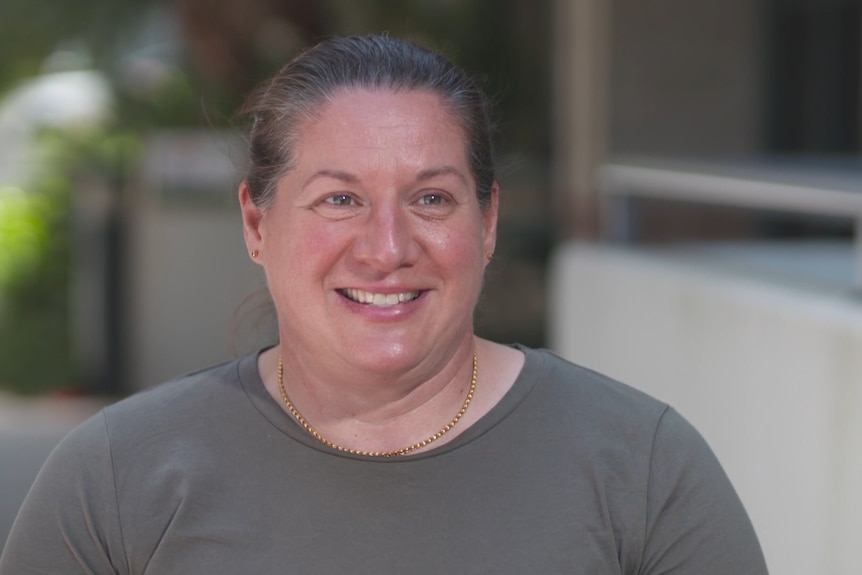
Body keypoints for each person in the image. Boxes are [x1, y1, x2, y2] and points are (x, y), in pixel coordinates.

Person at [0, 34, 768, 574]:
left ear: (488, 220)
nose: (387, 246)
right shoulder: (112, 478)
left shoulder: (645, 471)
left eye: (432, 197)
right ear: (257, 223)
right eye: (340, 198)